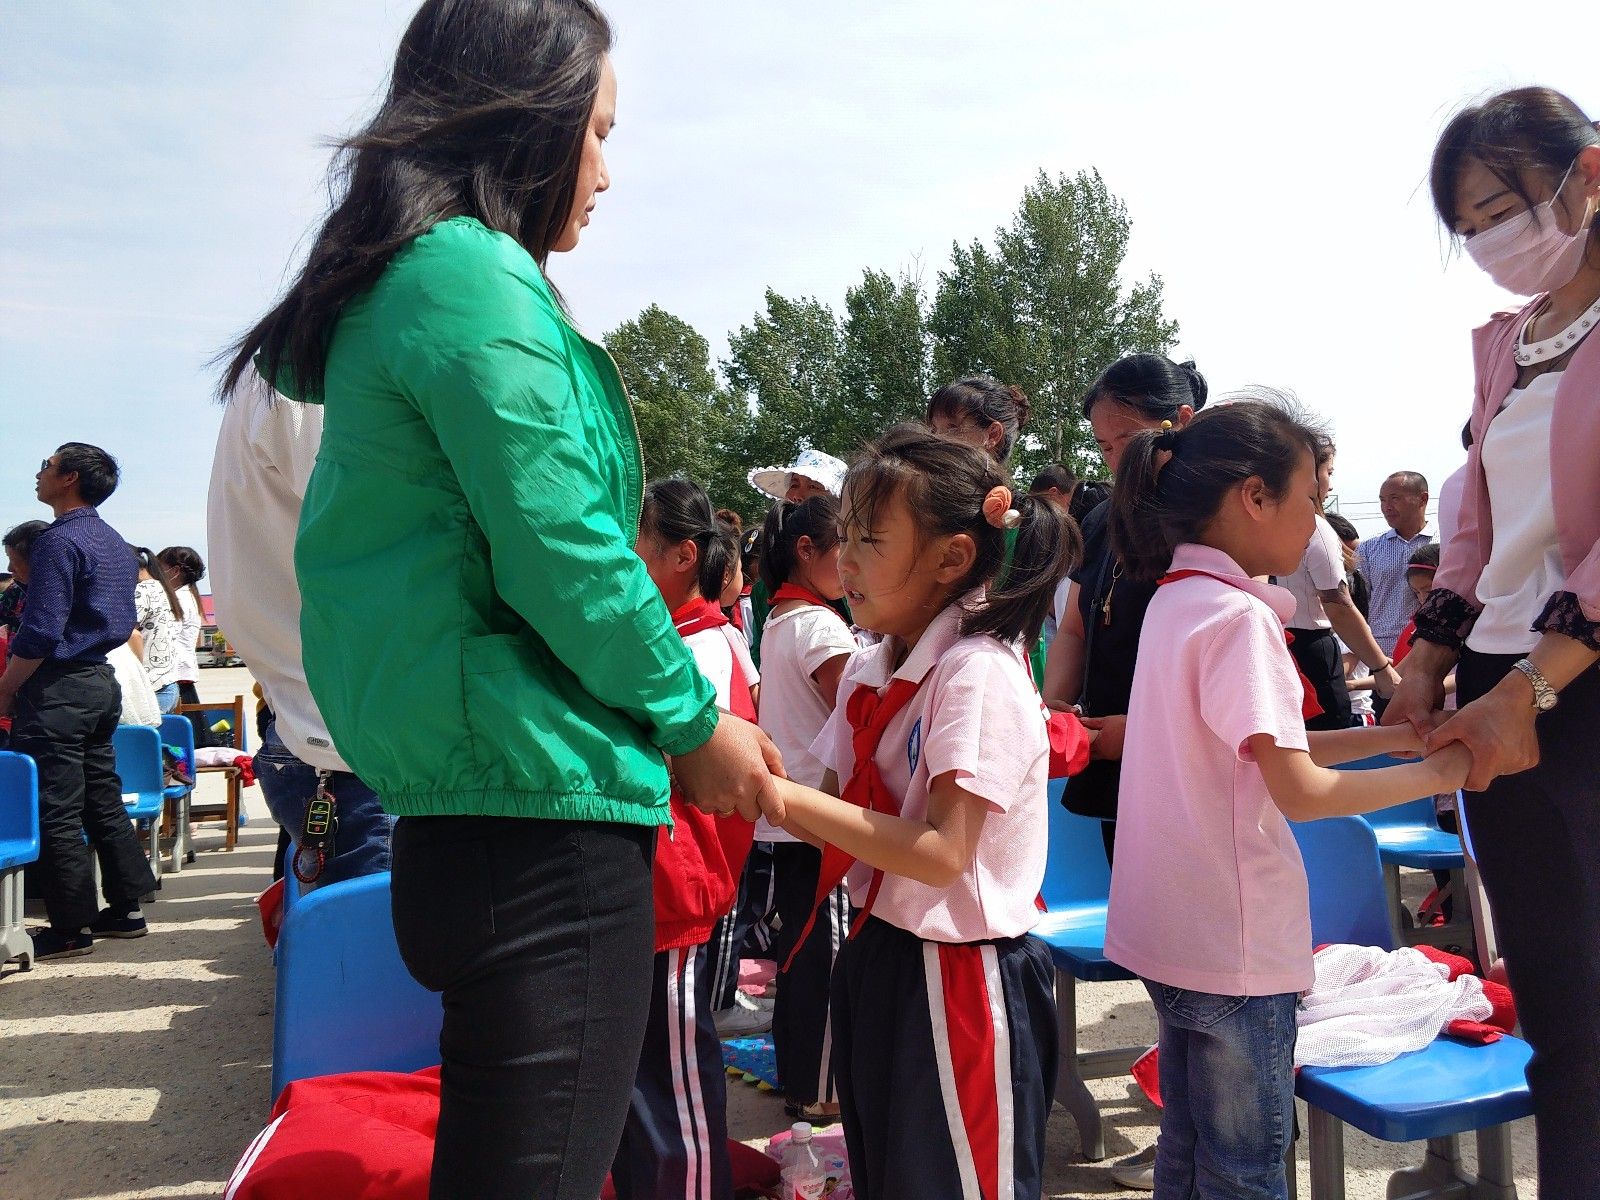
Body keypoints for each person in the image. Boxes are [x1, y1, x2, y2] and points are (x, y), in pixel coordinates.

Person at [216, 4, 783, 1196]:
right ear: (528, 115)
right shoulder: (470, 275)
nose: (605, 173)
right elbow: (566, 549)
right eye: (598, 131)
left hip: (462, 813)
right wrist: (694, 722)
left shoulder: (400, 286)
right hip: (540, 831)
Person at [1103, 399, 1471, 1199]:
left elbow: (1264, 750)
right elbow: (1299, 790)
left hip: (1170, 932)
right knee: (1246, 1169)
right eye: (1310, 498)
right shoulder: (1239, 619)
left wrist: (1394, 741)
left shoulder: (1177, 601)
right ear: (1254, 497)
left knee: (1187, 1148)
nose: (1316, 523)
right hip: (1235, 947)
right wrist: (1440, 775)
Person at [767, 425, 1083, 1200]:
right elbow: (837, 808)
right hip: (883, 950)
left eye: (870, 540)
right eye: (845, 537)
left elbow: (943, 853)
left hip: (960, 973)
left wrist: (780, 796)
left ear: (953, 557)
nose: (846, 560)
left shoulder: (976, 673)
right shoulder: (871, 666)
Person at [1386, 85, 1600, 1193]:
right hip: (1499, 684)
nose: (1487, 245)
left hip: (1573, 684)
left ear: (1588, 177)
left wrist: (1534, 687)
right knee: (1557, 1001)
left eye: (1500, 213)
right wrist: (1429, 657)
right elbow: (1474, 521)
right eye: (1468, 228)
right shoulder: (1510, 344)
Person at [614, 480, 757, 1200]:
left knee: (671, 1088)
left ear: (682, 556)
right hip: (651, 882)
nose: (620, 565)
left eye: (634, 549)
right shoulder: (670, 641)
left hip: (676, 885)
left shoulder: (697, 649)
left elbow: (704, 774)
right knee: (641, 1078)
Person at [207, 375, 396, 892]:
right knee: (375, 935)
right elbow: (377, 543)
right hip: (356, 743)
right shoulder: (320, 378)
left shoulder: (293, 379)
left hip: (334, 734)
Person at [1041, 354, 1207, 867]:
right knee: (1130, 890)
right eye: (1104, 446)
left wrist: (1141, 728)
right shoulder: (1100, 520)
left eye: (1128, 441)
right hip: (1110, 748)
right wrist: (1054, 702)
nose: (1115, 460)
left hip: (1190, 755)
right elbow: (1073, 627)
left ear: (1181, 423)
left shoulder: (1212, 519)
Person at [0, 446, 157, 960]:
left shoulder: (57, 541)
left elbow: (42, 630)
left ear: (69, 478)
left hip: (59, 688)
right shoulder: (114, 542)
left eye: (46, 465)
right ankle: (127, 908)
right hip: (99, 680)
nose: (38, 473)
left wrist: (7, 686)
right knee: (102, 797)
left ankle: (70, 928)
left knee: (57, 807)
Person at [749, 493, 855, 1120]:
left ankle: (800, 1081)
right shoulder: (820, 626)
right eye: (847, 549)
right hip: (822, 815)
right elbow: (857, 715)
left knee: (799, 950)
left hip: (790, 814)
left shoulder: (780, 619)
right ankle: (822, 1090)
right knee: (826, 953)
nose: (854, 564)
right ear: (807, 550)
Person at [1278, 438, 1402, 729]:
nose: (1330, 485)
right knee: (1328, 745)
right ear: (1308, 473)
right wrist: (1382, 668)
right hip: (1311, 651)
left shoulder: (1264, 525)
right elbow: (1338, 605)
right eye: (1328, 472)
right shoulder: (1315, 528)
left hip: (1275, 646)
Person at [1356, 471, 1434, 656]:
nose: (1386, 507)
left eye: (1394, 498)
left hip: (1431, 649)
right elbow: (1358, 603)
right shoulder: (1368, 549)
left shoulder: (1446, 543)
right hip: (1382, 652)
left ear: (1422, 499)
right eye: (1382, 500)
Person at [131, 547, 185, 714]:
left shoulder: (142, 592)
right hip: (166, 682)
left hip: (151, 686)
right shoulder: (160, 587)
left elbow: (131, 634)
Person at [156, 546, 207, 711]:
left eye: (159, 568)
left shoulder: (178, 599)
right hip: (182, 673)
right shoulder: (189, 595)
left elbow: (166, 634)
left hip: (173, 676)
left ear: (175, 571)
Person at [1029, 462, 1111, 528]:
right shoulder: (1094, 492)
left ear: (1053, 493)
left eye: (1041, 504)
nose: (1040, 511)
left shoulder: (1089, 508)